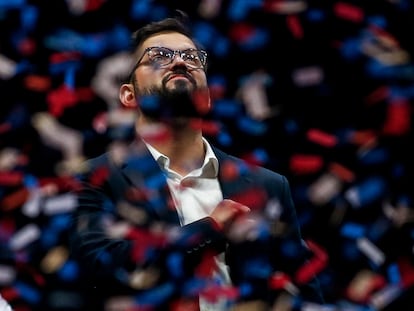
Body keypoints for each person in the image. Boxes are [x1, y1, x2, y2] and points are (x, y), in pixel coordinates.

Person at [69, 10, 324, 311]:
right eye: (158, 56)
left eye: (193, 58)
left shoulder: (267, 185)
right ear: (128, 95)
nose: (180, 62)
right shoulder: (95, 179)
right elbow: (103, 268)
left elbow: (305, 293)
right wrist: (210, 229)